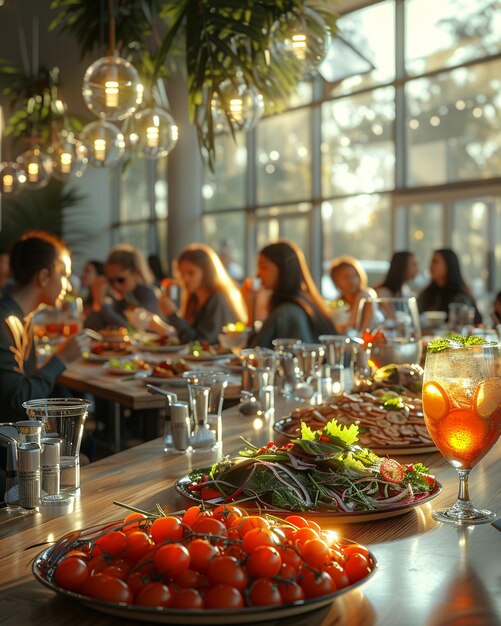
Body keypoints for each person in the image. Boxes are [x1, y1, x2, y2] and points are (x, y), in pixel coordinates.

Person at [0, 231, 89, 421]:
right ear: (44, 277)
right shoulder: (5, 320)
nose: (67, 286)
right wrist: (61, 359)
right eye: (63, 275)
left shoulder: (23, 318)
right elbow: (18, 401)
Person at [247, 240, 336, 348]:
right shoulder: (306, 300)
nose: (258, 275)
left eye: (264, 267)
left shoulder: (287, 312)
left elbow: (255, 354)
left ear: (283, 269)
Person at [159, 243, 247, 344]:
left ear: (206, 272)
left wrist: (173, 315)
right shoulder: (193, 299)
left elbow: (201, 343)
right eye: (181, 273)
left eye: (191, 273)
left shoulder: (217, 299)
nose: (185, 279)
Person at [84, 244, 160, 330]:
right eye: (111, 281)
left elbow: (133, 330)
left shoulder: (147, 294)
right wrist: (97, 303)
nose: (116, 285)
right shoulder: (116, 298)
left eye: (121, 280)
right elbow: (89, 329)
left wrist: (102, 305)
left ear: (135, 272)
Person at [417, 248, 482, 324]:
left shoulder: (460, 296)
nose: (431, 266)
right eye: (431, 262)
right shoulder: (426, 293)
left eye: (435, 262)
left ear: (449, 265)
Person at [329, 256, 377, 333]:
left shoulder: (367, 296)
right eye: (346, 277)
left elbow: (366, 331)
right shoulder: (336, 305)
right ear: (336, 281)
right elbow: (345, 331)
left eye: (355, 276)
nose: (352, 281)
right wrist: (359, 301)